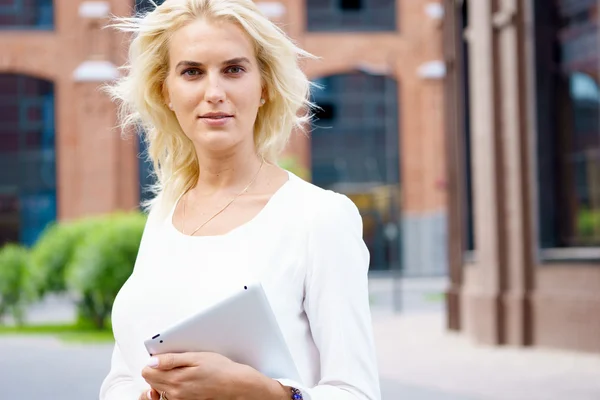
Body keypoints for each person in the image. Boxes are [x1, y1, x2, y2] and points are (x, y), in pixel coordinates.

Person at [100, 0, 381, 399]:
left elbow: (358, 392)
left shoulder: (319, 217)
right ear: (166, 91)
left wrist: (265, 393)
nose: (214, 92)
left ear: (263, 86)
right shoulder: (166, 211)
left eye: (233, 69)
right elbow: (121, 377)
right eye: (192, 72)